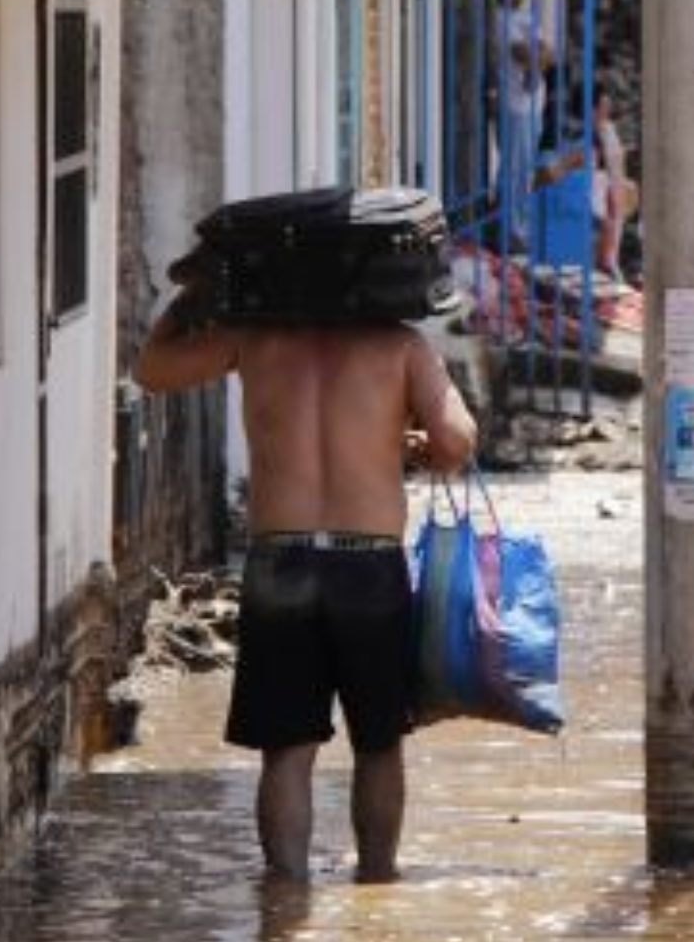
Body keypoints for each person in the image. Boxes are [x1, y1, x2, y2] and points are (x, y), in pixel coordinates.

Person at [133, 305, 478, 885]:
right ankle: (376, 889)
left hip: (281, 559)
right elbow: (455, 442)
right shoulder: (398, 344)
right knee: (378, 743)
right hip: (368, 565)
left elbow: (151, 370)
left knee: (287, 752)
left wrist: (187, 302)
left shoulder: (254, 335)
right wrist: (408, 439)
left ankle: (285, 897)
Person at [493, 0, 555, 250]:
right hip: (515, 107)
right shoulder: (500, 20)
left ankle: (522, 230)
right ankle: (513, 235)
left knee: (526, 171)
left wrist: (536, 63)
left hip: (533, 106)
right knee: (515, 172)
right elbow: (524, 54)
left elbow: (547, 54)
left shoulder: (527, 17)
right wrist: (535, 60)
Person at [591, 91, 636, 281]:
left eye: (607, 107)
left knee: (613, 231)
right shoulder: (588, 132)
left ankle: (609, 264)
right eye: (602, 107)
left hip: (614, 186)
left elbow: (618, 159)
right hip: (599, 186)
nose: (605, 111)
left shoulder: (608, 128)